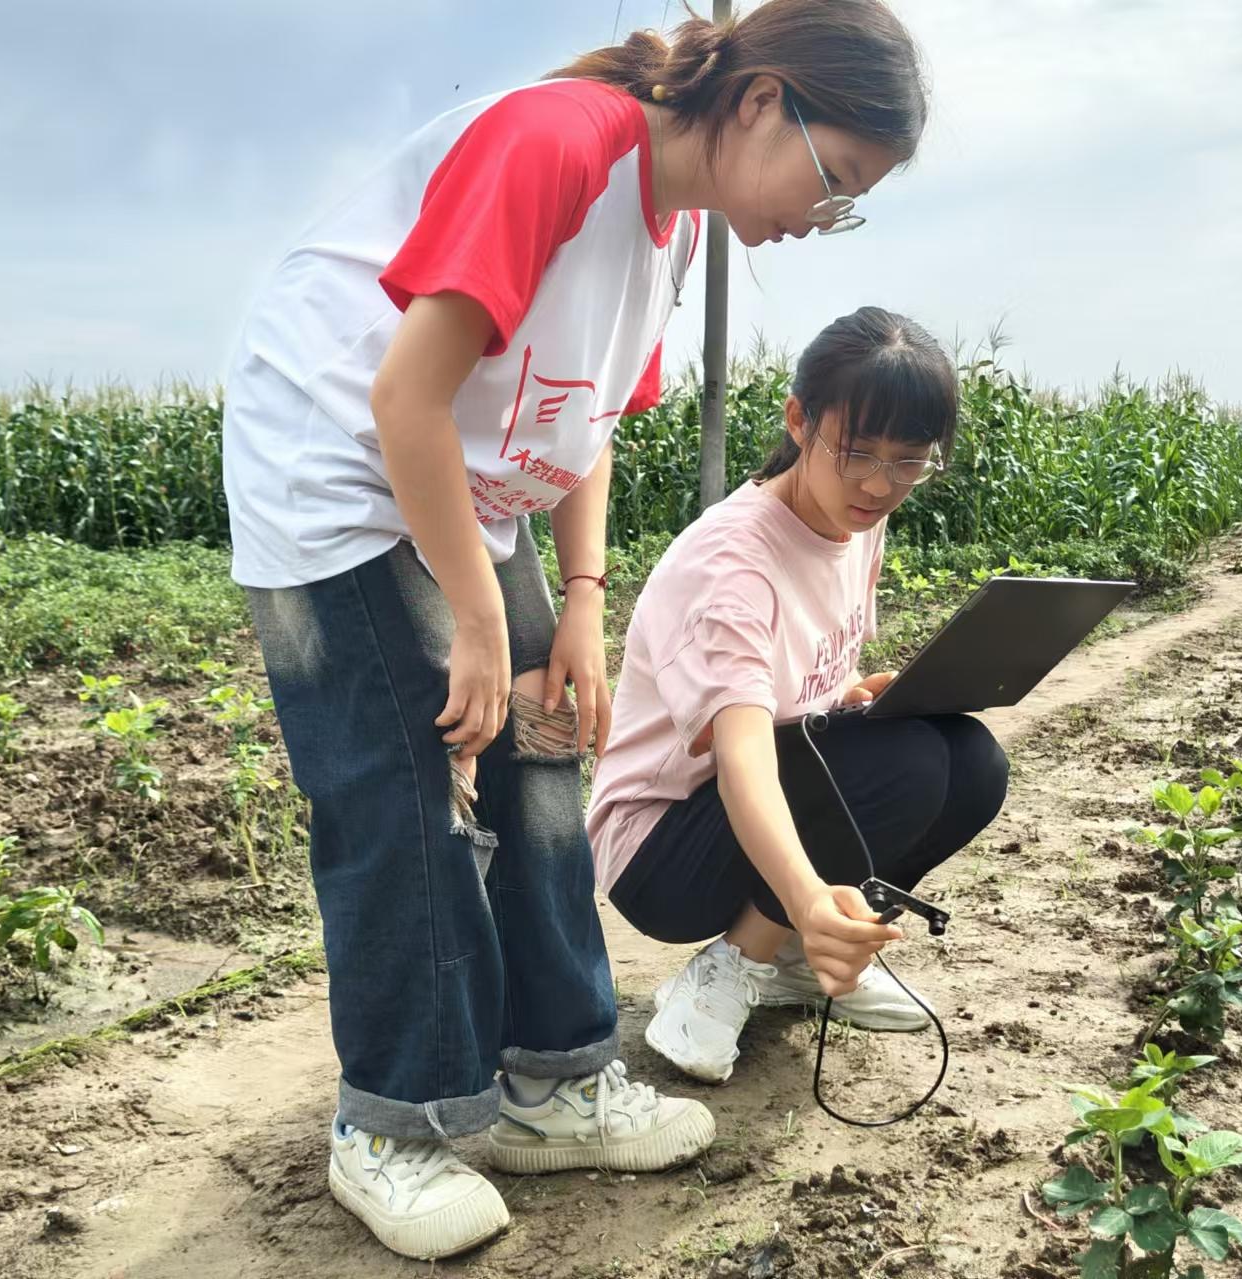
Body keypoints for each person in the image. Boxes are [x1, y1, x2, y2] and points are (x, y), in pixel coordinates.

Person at [219, 0, 931, 1261]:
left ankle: (552, 1077)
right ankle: (391, 1122)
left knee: (541, 753)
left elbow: (579, 424)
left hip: (467, 484)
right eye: (831, 179)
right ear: (761, 101)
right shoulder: (559, 141)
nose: (818, 220)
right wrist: (483, 612)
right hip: (335, 464)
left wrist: (582, 604)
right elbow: (404, 391)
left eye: (849, 204)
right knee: (404, 786)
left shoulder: (669, 225)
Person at [589, 308, 1010, 1085]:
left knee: (972, 760)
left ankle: (796, 961)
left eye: (910, 461)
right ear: (798, 421)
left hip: (748, 803)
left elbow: (798, 692)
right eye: (858, 454)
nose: (881, 485)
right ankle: (734, 968)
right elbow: (746, 756)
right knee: (910, 763)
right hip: (662, 847)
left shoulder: (857, 521)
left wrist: (854, 694)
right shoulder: (733, 563)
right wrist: (807, 895)